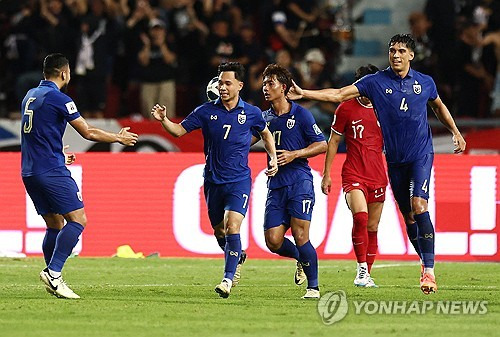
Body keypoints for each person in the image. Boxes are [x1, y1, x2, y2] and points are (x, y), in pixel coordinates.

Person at [288, 34, 467, 294]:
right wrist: (305, 92)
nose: (395, 55)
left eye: (401, 51)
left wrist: (455, 131)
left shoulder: (425, 83)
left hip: (420, 154)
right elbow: (339, 94)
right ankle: (423, 260)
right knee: (408, 216)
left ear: (411, 55)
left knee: (419, 206)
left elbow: (438, 106)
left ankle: (429, 270)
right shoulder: (375, 82)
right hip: (394, 160)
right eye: (392, 50)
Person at [151, 62, 278, 298]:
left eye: (227, 83)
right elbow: (179, 131)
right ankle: (236, 256)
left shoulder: (251, 113)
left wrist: (272, 158)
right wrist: (163, 120)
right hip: (212, 181)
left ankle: (227, 280)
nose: (223, 87)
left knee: (232, 226)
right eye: (220, 83)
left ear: (240, 85)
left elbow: (266, 133)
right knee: (220, 231)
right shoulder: (205, 111)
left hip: (239, 180)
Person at [21, 53, 138, 299]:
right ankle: (54, 273)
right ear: (64, 73)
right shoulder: (60, 98)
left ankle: (53, 276)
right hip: (51, 170)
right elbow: (88, 132)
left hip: (30, 171)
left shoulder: (30, 96)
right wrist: (118, 137)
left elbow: (37, 136)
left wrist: (59, 154)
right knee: (78, 220)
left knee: (54, 224)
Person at [253, 64, 326, 299]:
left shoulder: (301, 114)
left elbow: (322, 144)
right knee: (273, 241)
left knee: (300, 234)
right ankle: (300, 258)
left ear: (283, 88)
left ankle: (313, 288)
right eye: (264, 83)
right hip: (276, 185)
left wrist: (295, 154)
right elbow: (245, 140)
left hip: (299, 182)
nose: (265, 87)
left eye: (270, 83)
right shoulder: (263, 118)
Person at [321, 64, 386, 288]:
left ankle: (367, 273)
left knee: (373, 227)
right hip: (353, 173)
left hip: (378, 173)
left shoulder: (384, 106)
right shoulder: (346, 108)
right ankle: (360, 271)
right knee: (360, 217)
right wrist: (326, 174)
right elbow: (334, 141)